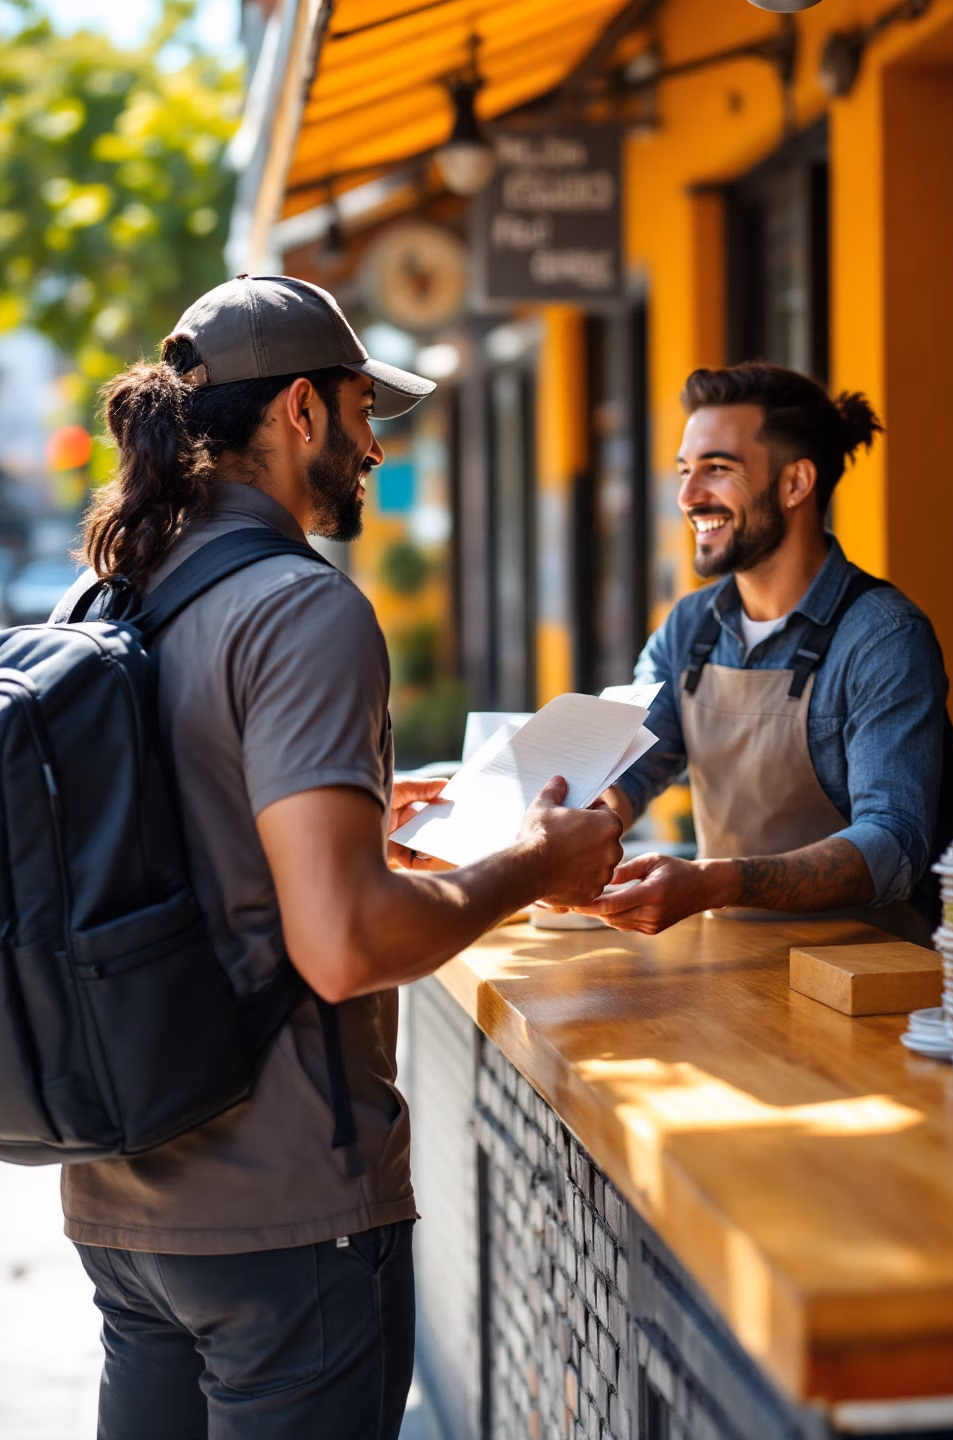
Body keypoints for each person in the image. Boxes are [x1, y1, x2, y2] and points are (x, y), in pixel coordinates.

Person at [58, 275, 623, 1440]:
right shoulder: (302, 610)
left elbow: (198, 828)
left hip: (123, 1207)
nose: (374, 444)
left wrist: (360, 815)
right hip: (287, 1219)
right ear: (302, 412)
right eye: (367, 410)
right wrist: (536, 864)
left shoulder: (115, 592)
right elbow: (345, 944)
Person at [578, 361, 949, 940]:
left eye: (717, 469)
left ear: (796, 483)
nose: (688, 496)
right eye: (683, 471)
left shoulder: (883, 638)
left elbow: (893, 843)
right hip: (728, 964)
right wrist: (573, 833)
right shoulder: (689, 627)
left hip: (868, 976)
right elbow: (626, 768)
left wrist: (718, 883)